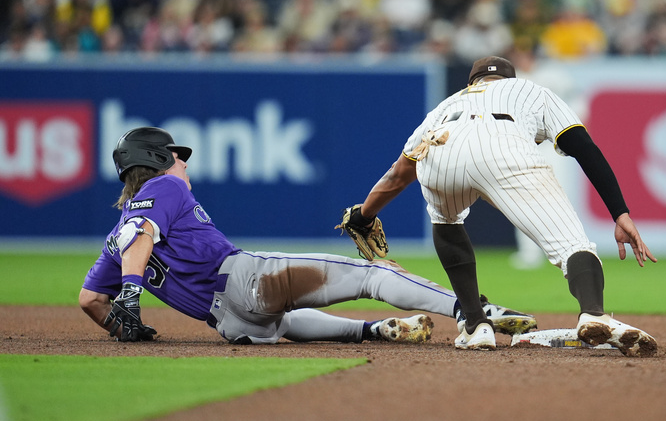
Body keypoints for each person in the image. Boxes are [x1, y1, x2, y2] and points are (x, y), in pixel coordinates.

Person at [80, 127, 536, 345]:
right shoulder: (166, 186)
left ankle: (372, 331)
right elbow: (142, 233)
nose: (184, 163)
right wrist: (134, 295)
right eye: (177, 155)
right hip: (244, 279)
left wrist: (126, 325)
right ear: (157, 159)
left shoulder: (112, 236)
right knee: (372, 274)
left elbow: (90, 301)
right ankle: (474, 310)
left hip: (231, 325)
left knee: (280, 321)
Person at [346, 56, 658, 356]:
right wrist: (620, 212)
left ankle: (476, 325)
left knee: (445, 219)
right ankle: (593, 315)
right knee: (572, 245)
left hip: (441, 153)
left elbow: (398, 175)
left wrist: (364, 215)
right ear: (510, 80)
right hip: (504, 146)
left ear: (473, 82)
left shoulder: (446, 104)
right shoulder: (530, 90)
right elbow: (584, 148)